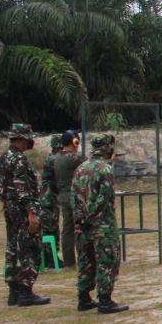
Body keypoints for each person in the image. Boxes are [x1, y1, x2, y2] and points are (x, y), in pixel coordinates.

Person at [72, 132, 128, 314]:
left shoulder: (80, 168)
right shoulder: (105, 169)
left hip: (82, 224)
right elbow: (103, 199)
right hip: (101, 224)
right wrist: (93, 217)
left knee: (85, 260)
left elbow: (74, 197)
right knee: (107, 260)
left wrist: (82, 219)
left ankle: (84, 297)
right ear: (108, 148)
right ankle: (105, 300)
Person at [0, 123, 50, 306]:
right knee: (28, 247)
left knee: (13, 247)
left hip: (11, 210)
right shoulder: (19, 160)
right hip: (22, 211)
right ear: (20, 138)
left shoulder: (3, 158)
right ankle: (26, 291)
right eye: (27, 137)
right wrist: (31, 214)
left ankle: (14, 291)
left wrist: (5, 200)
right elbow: (23, 190)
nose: (31, 141)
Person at [53, 130, 83, 267]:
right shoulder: (74, 159)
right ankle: (84, 259)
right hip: (74, 196)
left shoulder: (57, 157)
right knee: (79, 228)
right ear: (74, 141)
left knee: (67, 229)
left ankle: (69, 261)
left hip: (63, 195)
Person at [38, 134, 63, 266]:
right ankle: (50, 259)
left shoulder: (52, 158)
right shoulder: (54, 159)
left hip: (50, 198)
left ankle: (51, 257)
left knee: (52, 229)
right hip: (48, 199)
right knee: (50, 229)